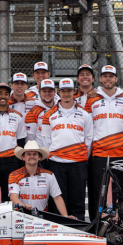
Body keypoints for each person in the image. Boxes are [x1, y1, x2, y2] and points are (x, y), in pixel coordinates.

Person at [85, 70, 123, 221]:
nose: (108, 79)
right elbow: (88, 127)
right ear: (100, 79)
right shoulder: (91, 100)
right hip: (99, 154)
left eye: (111, 76)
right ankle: (99, 226)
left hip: (122, 154)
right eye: (105, 76)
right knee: (99, 193)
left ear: (116, 78)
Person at [41, 78, 93, 220]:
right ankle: (58, 231)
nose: (66, 94)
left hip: (78, 163)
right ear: (58, 92)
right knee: (58, 199)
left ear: (74, 92)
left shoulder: (84, 114)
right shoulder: (49, 115)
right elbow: (46, 141)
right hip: (56, 163)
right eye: (63, 91)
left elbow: (89, 139)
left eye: (69, 91)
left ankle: (79, 229)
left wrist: (81, 157)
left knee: (78, 200)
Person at [8, 140, 69, 216]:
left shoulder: (49, 175)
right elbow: (13, 197)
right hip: (22, 216)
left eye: (35, 154)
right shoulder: (14, 175)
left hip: (43, 218)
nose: (32, 156)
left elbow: (57, 198)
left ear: (39, 157)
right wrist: (24, 206)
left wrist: (66, 216)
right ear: (23, 157)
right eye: (28, 154)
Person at [25, 79, 58, 147]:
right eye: (44, 91)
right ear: (39, 92)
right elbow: (30, 139)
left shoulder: (61, 108)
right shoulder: (32, 112)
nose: (47, 93)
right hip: (41, 154)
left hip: (58, 152)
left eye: (50, 91)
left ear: (55, 92)